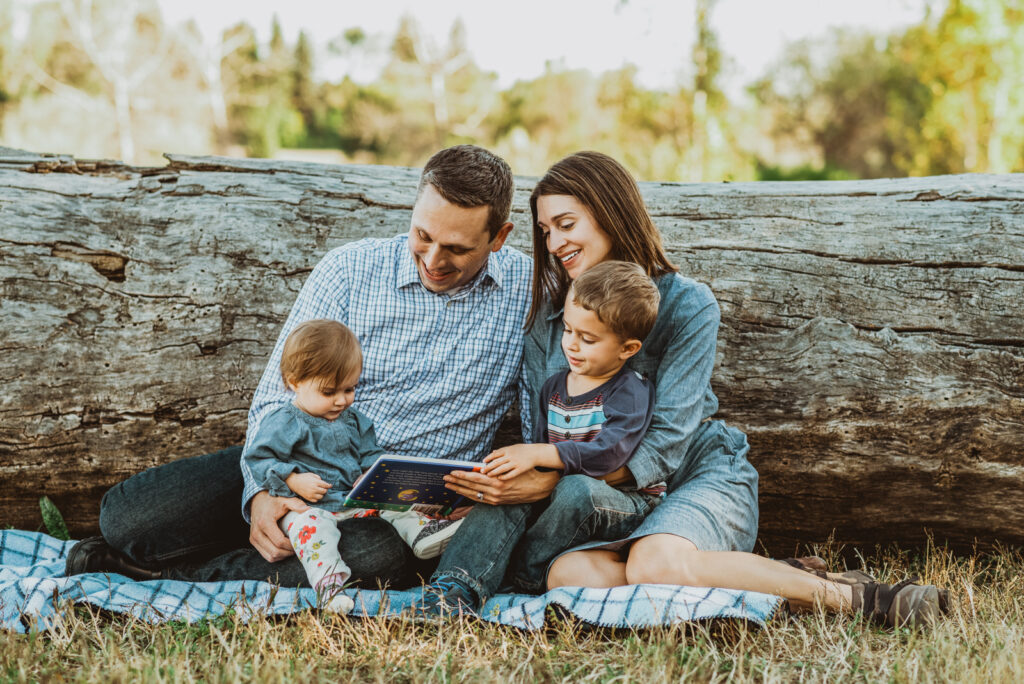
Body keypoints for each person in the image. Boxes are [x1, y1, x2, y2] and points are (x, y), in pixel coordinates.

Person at [422, 151, 948, 628]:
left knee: (653, 563)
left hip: (694, 472)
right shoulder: (550, 322)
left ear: (611, 212)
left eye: (566, 224)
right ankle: (760, 576)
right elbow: (547, 432)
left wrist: (546, 476)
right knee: (568, 576)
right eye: (545, 231)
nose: (555, 242)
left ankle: (859, 599)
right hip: (608, 499)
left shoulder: (687, 304)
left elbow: (667, 442)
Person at [64, 145, 532, 589]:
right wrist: (260, 494)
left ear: (499, 237)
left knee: (376, 560)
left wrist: (484, 494)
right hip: (298, 460)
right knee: (127, 517)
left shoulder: (530, 297)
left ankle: (155, 577)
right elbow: (275, 396)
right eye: (423, 236)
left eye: (456, 249)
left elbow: (544, 423)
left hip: (393, 509)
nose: (433, 260)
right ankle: (178, 552)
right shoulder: (350, 270)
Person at [243, 319, 465, 612]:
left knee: (392, 503)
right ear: (294, 382)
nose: (340, 400)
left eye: (349, 389)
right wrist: (294, 479)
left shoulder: (354, 420)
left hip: (349, 501)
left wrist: (370, 474)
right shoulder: (285, 421)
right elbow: (259, 459)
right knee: (314, 532)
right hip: (304, 507)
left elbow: (371, 453)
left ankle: (422, 533)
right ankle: (330, 588)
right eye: (328, 392)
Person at [480, 260, 664, 592]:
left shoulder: (630, 391)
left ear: (629, 348)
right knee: (507, 492)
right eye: (567, 330)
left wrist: (541, 452)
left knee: (575, 489)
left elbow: (609, 455)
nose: (572, 345)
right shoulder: (554, 387)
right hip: (564, 501)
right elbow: (540, 460)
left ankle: (525, 578)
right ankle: (457, 584)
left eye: (588, 338)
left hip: (624, 503)